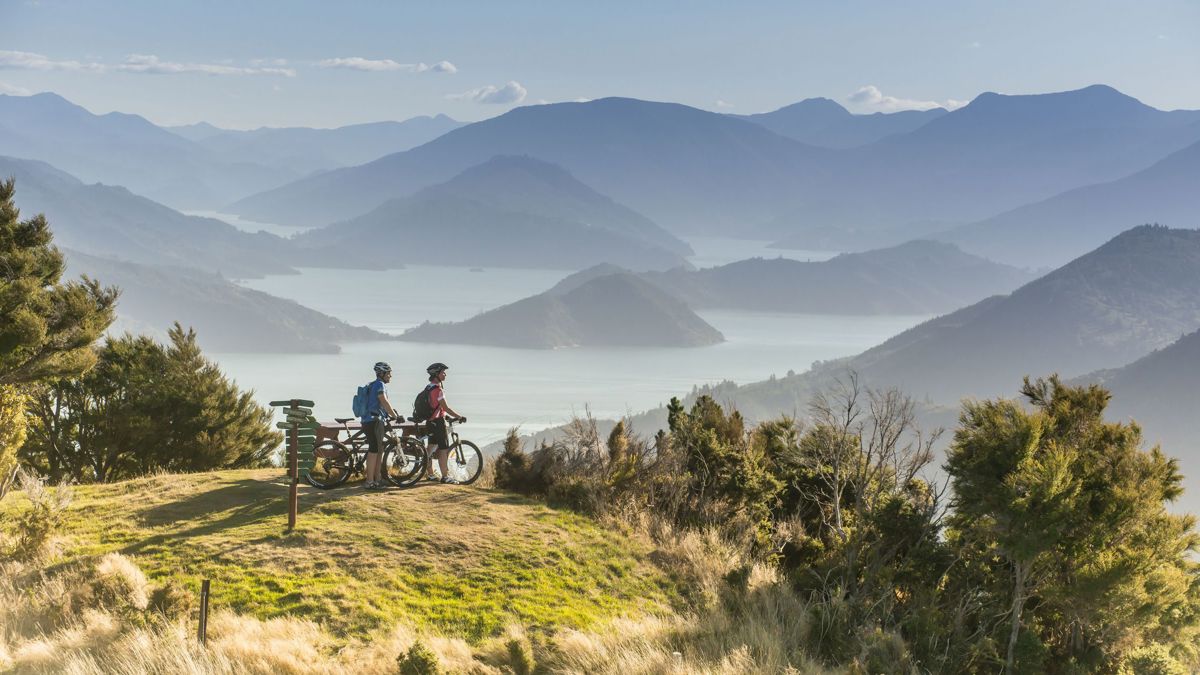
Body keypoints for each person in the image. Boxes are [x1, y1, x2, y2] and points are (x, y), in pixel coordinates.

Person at [421, 362, 466, 484]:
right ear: (437, 374)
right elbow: (445, 408)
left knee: (430, 449)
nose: (445, 374)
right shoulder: (438, 389)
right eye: (442, 372)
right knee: (443, 450)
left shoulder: (428, 387)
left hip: (430, 422)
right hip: (439, 423)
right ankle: (445, 476)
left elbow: (434, 406)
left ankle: (430, 474)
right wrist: (459, 416)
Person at [362, 361, 399, 489]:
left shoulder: (373, 385)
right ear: (382, 373)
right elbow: (384, 401)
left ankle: (377, 479)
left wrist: (390, 414)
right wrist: (395, 416)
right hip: (374, 421)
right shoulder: (380, 384)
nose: (390, 376)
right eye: (388, 373)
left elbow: (380, 405)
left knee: (378, 450)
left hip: (370, 420)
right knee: (373, 450)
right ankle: (369, 482)